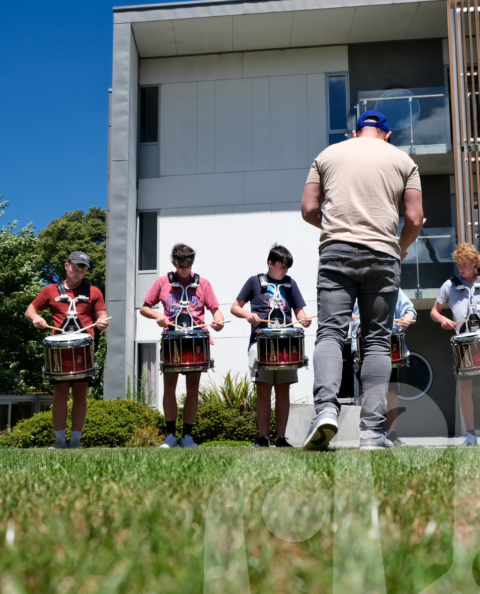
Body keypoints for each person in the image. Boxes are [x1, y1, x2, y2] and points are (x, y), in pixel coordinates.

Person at [300, 109, 424, 450]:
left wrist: (338, 230)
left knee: (330, 333)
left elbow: (309, 208)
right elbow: (414, 217)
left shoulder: (327, 154)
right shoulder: (403, 160)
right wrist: (399, 247)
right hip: (383, 254)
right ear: (387, 134)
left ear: (355, 132)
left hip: (336, 251)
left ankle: (325, 411)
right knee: (376, 343)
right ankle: (372, 433)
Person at [140, 243, 225, 448]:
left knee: (193, 388)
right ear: (173, 262)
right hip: (172, 340)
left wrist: (219, 322)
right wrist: (157, 315)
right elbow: (144, 308)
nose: (184, 268)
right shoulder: (162, 282)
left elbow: (216, 311)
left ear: (192, 262)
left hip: (196, 339)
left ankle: (187, 436)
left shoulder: (203, 284)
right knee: (169, 387)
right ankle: (170, 435)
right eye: (180, 264)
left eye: (187, 264)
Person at [26, 251, 109, 450]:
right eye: (75, 267)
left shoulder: (94, 292)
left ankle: (76, 440)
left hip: (84, 350)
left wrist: (102, 323)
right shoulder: (50, 291)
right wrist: (36, 318)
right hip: (59, 350)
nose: (79, 272)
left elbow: (102, 315)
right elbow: (30, 310)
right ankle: (59, 440)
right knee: (60, 394)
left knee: (81, 395)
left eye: (83, 269)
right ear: (66, 265)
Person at [231, 244, 311, 448]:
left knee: (283, 391)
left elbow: (299, 310)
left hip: (286, 343)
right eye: (282, 266)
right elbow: (235, 307)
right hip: (260, 342)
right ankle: (263, 438)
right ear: (270, 263)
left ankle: (281, 438)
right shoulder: (254, 281)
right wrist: (247, 314)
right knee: (263, 391)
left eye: (287, 267)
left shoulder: (290, 283)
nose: (285, 271)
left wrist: (303, 319)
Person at [431, 243, 480, 446]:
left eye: (464, 264)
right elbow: (434, 311)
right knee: (465, 387)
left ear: (475, 263)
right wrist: (442, 320)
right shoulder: (449, 284)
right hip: (463, 343)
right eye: (458, 265)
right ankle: (470, 435)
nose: (461, 269)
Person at [351, 289, 415, 446]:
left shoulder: (392, 288)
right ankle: (372, 433)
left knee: (392, 390)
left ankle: (390, 434)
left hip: (389, 346)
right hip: (363, 344)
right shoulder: (356, 286)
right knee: (372, 390)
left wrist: (406, 319)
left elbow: (409, 310)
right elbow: (344, 311)